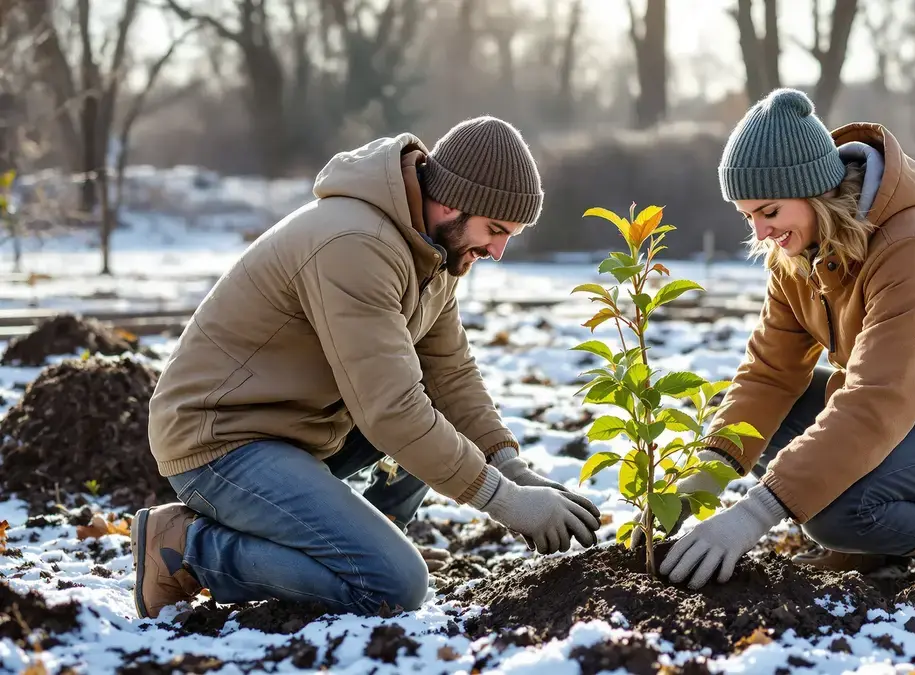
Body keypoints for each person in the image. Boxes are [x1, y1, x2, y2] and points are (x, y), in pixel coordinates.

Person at [132, 116, 603, 620]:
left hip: (292, 430)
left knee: (428, 416)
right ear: (451, 203)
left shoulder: (435, 251)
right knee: (392, 585)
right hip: (220, 440)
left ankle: (359, 541)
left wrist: (511, 469)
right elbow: (392, 411)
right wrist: (504, 500)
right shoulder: (355, 244)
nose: (499, 251)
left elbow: (450, 374)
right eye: (495, 230)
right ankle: (187, 549)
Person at [642, 89, 915, 592]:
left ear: (813, 190)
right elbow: (771, 374)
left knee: (836, 511)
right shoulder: (797, 252)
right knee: (778, 414)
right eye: (747, 216)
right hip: (908, 416)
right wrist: (704, 476)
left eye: (769, 211)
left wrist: (753, 515)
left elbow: (877, 400)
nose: (761, 231)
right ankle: (875, 547)